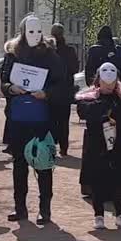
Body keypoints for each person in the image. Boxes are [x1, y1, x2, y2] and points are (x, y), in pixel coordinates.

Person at [1, 15, 65, 224]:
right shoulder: (12, 54)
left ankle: (44, 210)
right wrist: (11, 88)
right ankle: (20, 207)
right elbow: (4, 82)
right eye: (30, 31)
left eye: (38, 31)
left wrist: (46, 93)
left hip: (42, 119)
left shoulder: (51, 56)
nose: (35, 35)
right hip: (18, 118)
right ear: (22, 32)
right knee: (19, 164)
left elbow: (63, 86)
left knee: (43, 163)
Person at [77, 62, 121, 229]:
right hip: (96, 143)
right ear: (98, 80)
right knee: (97, 179)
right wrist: (103, 109)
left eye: (112, 81)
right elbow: (85, 112)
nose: (108, 85)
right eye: (104, 81)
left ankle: (120, 214)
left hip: (118, 143)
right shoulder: (89, 97)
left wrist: (118, 113)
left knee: (118, 178)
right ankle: (98, 215)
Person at [50, 23, 79, 156]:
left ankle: (51, 145)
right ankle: (64, 147)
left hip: (50, 90)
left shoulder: (49, 50)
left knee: (50, 119)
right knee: (63, 121)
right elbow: (75, 69)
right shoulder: (70, 50)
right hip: (66, 90)